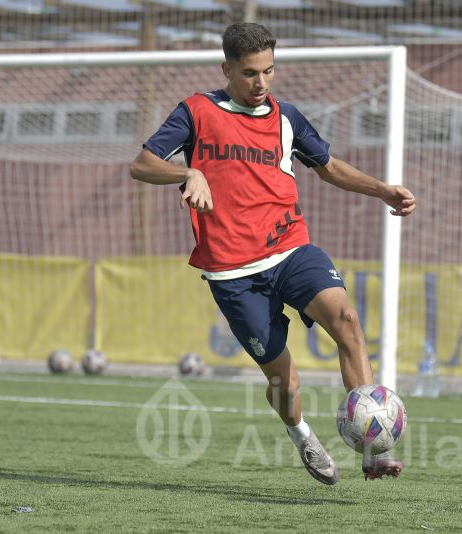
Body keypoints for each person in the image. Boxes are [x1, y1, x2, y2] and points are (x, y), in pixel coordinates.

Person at [130, 22, 416, 484]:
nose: (261, 82)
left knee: (346, 320)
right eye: (249, 73)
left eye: (268, 70)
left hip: (290, 248)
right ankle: (302, 435)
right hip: (233, 273)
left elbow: (329, 166)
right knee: (286, 382)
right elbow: (142, 164)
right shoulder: (196, 112)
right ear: (226, 69)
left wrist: (382, 190)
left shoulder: (286, 117)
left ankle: (372, 448)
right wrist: (187, 175)